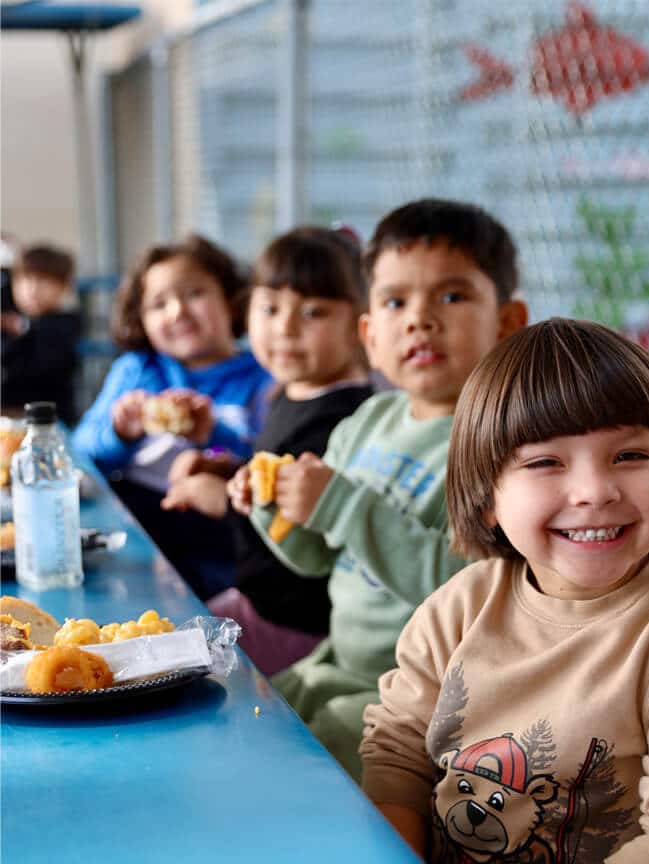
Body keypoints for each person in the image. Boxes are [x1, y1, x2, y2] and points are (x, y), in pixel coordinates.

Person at [360, 318, 649, 863]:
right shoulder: (456, 611)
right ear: (487, 497)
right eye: (545, 462)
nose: (594, 491)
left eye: (630, 456)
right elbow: (397, 759)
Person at [231, 198, 527, 779]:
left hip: (422, 694)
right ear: (369, 333)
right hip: (337, 663)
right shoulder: (367, 423)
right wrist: (276, 509)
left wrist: (338, 503)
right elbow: (317, 558)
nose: (419, 319)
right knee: (234, 719)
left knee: (279, 774)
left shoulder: (503, 447)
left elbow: (469, 592)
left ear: (508, 322)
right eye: (395, 301)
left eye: (451, 296)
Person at [160, 226, 374, 673]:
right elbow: (274, 475)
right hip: (257, 598)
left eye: (313, 312)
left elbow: (309, 528)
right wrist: (224, 468)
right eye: (270, 308)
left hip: (297, 622)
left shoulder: (346, 417)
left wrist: (222, 501)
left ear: (360, 323)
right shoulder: (289, 393)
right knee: (159, 640)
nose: (285, 328)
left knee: (170, 672)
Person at [72, 234, 270, 599]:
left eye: (194, 293)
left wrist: (212, 434)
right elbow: (81, 451)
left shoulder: (262, 377)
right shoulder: (137, 370)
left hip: (219, 539)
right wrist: (119, 430)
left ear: (230, 299)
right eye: (158, 304)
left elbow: (267, 458)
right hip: (135, 530)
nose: (177, 311)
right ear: (140, 320)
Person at [1, 243, 81, 424]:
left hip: (50, 425)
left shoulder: (64, 324)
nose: (32, 288)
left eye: (43, 280)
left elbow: (39, 368)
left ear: (63, 286)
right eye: (24, 279)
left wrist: (22, 329)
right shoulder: (9, 324)